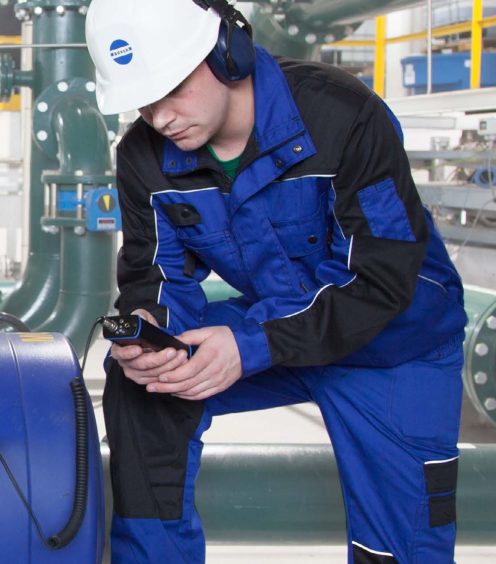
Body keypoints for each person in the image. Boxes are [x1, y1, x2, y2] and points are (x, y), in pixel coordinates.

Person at [85, 1, 467, 562]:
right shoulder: (143, 156)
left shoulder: (344, 116)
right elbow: (155, 275)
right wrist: (151, 325)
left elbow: (380, 278)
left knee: (401, 550)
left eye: (171, 89)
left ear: (227, 52)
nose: (160, 117)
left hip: (393, 342)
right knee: (147, 384)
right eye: (143, 101)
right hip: (280, 321)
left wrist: (251, 345)